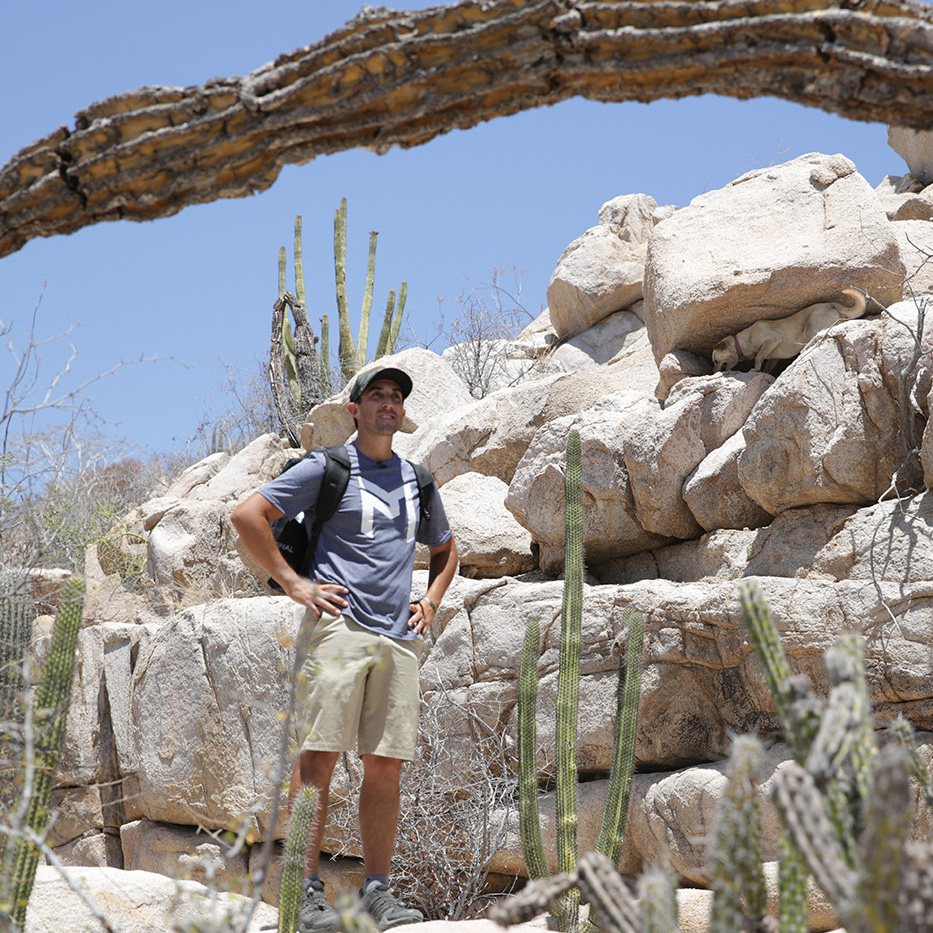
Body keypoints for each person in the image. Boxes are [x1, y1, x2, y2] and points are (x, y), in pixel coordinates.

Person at [231, 366, 458, 933]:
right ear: (354, 409)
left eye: (396, 397)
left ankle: (377, 891)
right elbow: (247, 515)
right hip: (340, 627)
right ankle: (304, 894)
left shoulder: (417, 479)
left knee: (385, 766)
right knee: (319, 761)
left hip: (398, 638)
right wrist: (294, 582)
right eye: (377, 395)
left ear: (403, 413)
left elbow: (447, 550)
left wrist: (429, 599)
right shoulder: (329, 466)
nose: (388, 403)